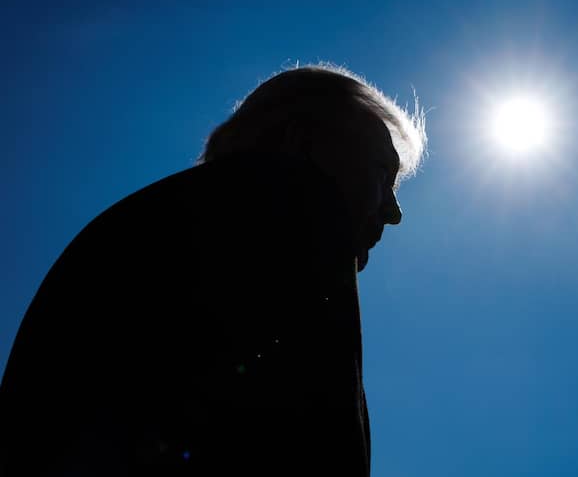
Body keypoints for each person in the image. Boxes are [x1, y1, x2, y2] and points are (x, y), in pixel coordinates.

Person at [0, 66, 426, 476]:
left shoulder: (149, 224)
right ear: (301, 141)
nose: (393, 212)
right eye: (382, 173)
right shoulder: (297, 210)